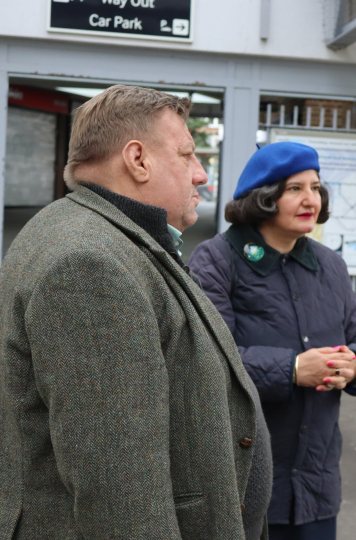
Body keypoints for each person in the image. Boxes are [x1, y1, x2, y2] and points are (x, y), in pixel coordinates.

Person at [0, 85, 272, 540]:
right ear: (138, 159)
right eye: (187, 155)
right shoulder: (89, 265)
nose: (201, 175)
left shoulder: (101, 235)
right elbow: (119, 494)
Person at [189, 141, 356, 540]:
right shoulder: (215, 261)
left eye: (315, 187)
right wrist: (293, 369)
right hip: (243, 484)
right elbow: (208, 362)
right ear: (263, 197)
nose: (311, 198)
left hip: (316, 484)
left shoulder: (330, 265)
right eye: (294, 189)